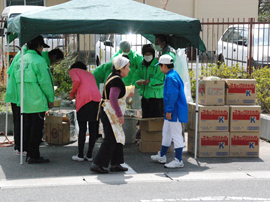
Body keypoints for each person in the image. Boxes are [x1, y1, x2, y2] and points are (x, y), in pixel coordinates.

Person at [12, 35, 54, 164]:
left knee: (27, 128)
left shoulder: (20, 60)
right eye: (42, 47)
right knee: (36, 129)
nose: (42, 50)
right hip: (37, 101)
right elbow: (45, 83)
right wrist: (50, 99)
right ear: (38, 46)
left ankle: (28, 153)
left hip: (24, 100)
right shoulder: (39, 60)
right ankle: (34, 155)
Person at [90, 55, 131, 174]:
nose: (129, 69)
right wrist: (119, 115)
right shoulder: (116, 80)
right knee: (110, 139)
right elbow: (113, 98)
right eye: (127, 67)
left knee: (117, 138)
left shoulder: (113, 77)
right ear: (121, 68)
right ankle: (97, 164)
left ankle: (115, 163)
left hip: (108, 112)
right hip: (110, 113)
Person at [150, 55, 188, 168]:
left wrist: (169, 110)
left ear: (164, 66)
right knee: (166, 132)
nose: (160, 68)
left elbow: (172, 95)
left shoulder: (170, 77)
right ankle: (162, 155)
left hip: (173, 110)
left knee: (176, 134)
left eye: (160, 66)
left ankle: (178, 160)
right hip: (173, 109)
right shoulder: (173, 74)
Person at [68, 61, 101, 162]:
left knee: (82, 128)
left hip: (84, 101)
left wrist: (72, 94)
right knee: (93, 128)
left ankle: (80, 155)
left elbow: (77, 81)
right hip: (96, 100)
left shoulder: (73, 71)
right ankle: (89, 155)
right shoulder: (90, 74)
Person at [132, 44, 164, 118]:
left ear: (153, 54)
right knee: (146, 121)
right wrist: (138, 83)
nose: (148, 56)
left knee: (155, 123)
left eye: (149, 54)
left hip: (156, 99)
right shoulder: (141, 65)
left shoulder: (158, 66)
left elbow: (161, 81)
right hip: (145, 99)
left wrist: (149, 82)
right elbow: (135, 78)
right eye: (146, 54)